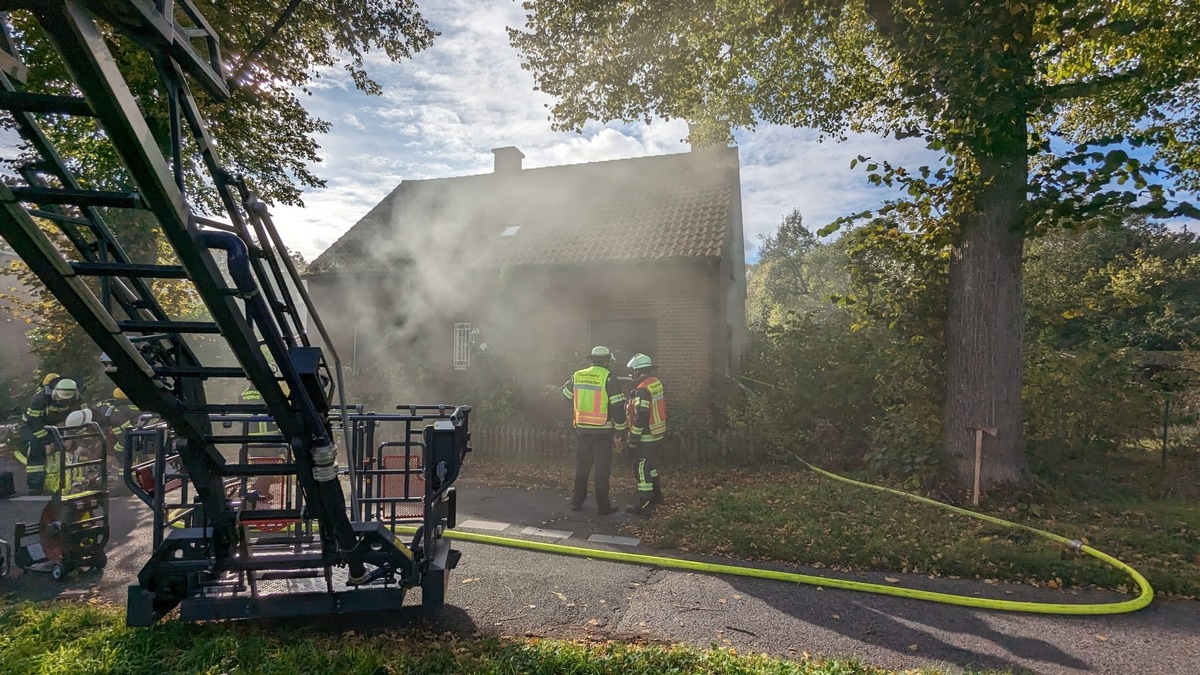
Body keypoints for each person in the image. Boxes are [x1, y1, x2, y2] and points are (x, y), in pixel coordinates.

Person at [561, 346, 627, 515]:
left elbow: (566, 396)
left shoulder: (577, 375)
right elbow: (618, 407)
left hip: (582, 430)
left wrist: (578, 411)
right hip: (603, 432)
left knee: (582, 468)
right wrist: (620, 431)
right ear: (606, 361)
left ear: (592, 359)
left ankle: (576, 502)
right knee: (602, 470)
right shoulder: (609, 378)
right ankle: (603, 506)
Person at [15, 376, 81, 494]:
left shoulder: (75, 397)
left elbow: (75, 418)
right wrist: (46, 442)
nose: (62, 401)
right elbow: (34, 422)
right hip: (34, 427)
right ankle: (35, 485)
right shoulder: (40, 399)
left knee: (70, 448)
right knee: (36, 447)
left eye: (66, 399)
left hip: (55, 426)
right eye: (60, 398)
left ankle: (72, 481)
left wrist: (69, 436)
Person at [624, 353, 667, 516]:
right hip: (656, 432)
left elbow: (641, 415)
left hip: (646, 435)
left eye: (632, 372)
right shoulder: (655, 383)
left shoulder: (642, 389)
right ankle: (657, 496)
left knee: (642, 467)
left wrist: (633, 438)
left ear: (637, 371)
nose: (631, 375)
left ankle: (644, 503)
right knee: (651, 467)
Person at [98, 388, 140, 465]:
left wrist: (115, 451)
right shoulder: (131, 407)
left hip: (137, 441)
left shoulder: (116, 414)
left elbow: (125, 437)